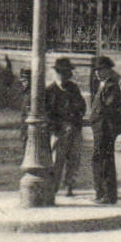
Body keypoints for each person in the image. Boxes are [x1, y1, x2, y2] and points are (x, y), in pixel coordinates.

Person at [46, 57, 86, 198]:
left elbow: (82, 106)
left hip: (74, 129)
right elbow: (48, 115)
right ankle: (53, 188)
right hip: (59, 132)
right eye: (61, 73)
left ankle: (69, 186)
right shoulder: (50, 91)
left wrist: (75, 122)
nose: (64, 76)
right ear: (56, 73)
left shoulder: (73, 88)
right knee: (57, 161)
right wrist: (60, 126)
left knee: (74, 160)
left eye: (67, 73)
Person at [90, 55, 121, 205]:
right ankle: (101, 193)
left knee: (105, 161)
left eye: (100, 70)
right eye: (96, 70)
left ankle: (108, 195)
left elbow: (109, 107)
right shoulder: (102, 84)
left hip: (106, 128)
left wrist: (96, 114)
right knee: (98, 159)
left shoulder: (112, 86)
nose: (97, 73)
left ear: (108, 70)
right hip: (100, 128)